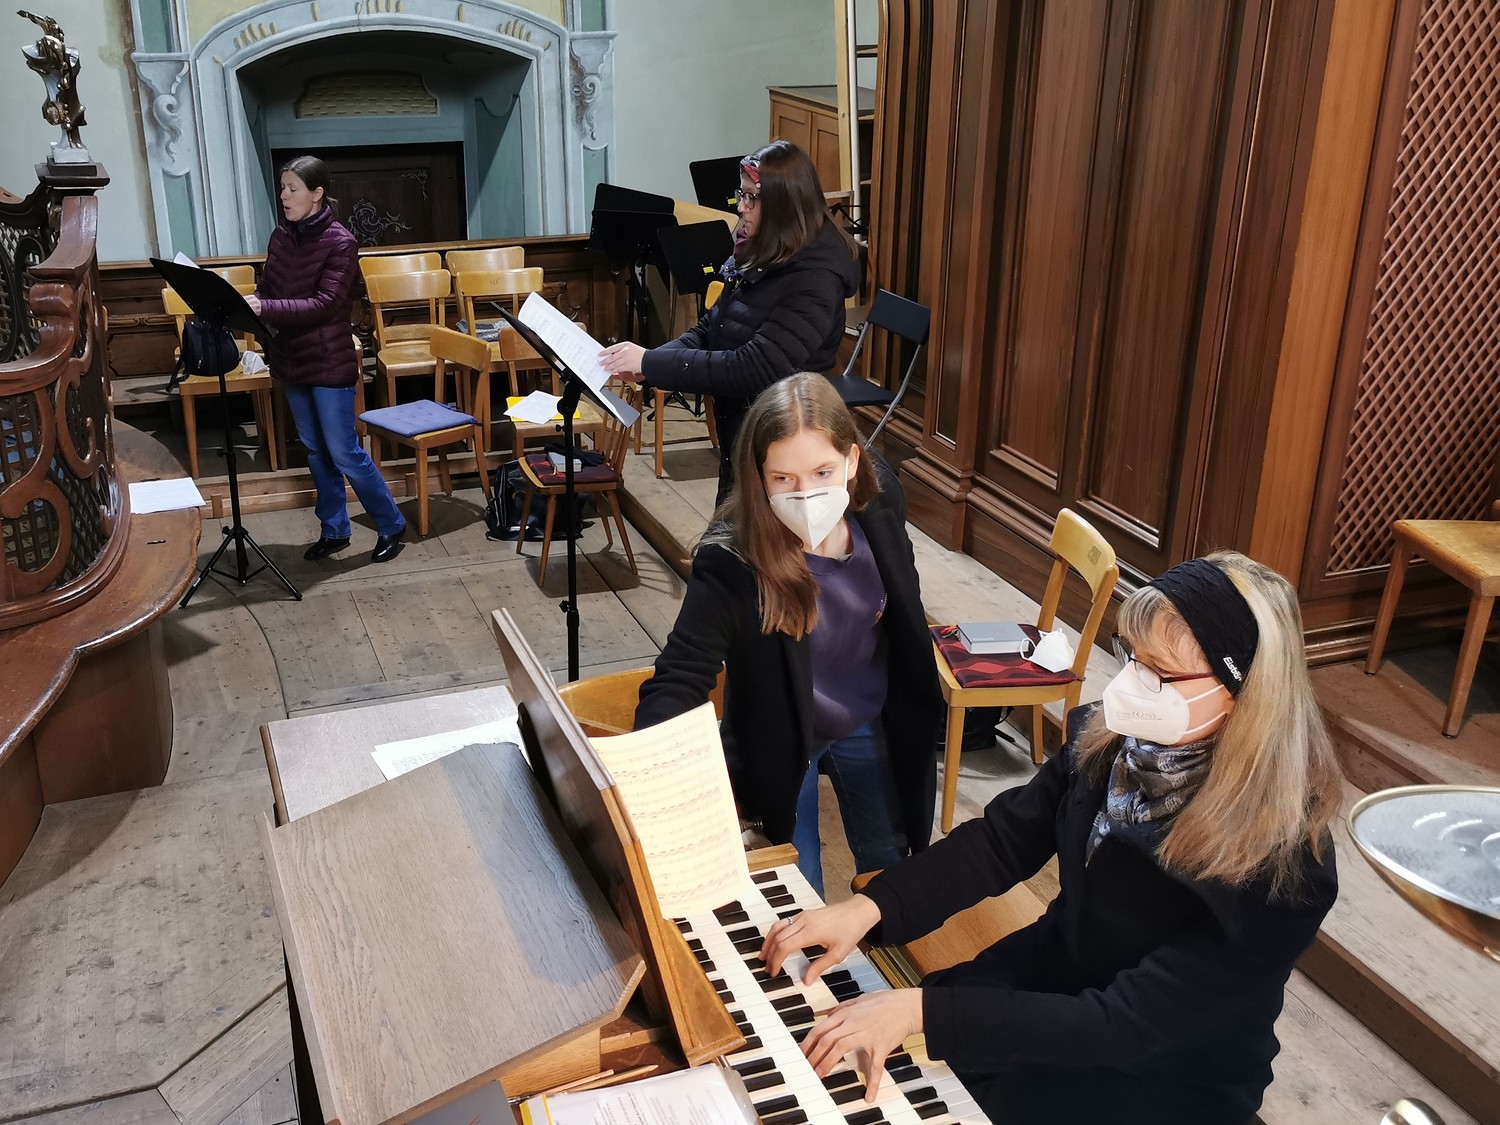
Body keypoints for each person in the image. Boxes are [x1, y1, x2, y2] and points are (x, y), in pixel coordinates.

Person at [761, 551, 1343, 1125]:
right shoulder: (1109, 741)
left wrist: (923, 1012)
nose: (1130, 685)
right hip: (1059, 974)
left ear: (1243, 693)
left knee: (914, 1054)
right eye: (1131, 657)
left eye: (1159, 673)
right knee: (855, 1047)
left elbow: (1129, 1024)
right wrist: (870, 908)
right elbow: (1003, 841)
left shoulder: (1285, 865)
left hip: (1163, 1068)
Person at [634, 373, 940, 897]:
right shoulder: (731, 558)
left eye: (823, 472)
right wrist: (650, 774)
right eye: (783, 478)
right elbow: (680, 677)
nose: (807, 494)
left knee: (889, 869)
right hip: (779, 739)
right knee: (796, 889)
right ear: (758, 477)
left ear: (852, 461)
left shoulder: (880, 506)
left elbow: (904, 618)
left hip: (868, 717)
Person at [598, 140, 861, 505]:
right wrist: (650, 364)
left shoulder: (816, 277)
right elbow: (711, 329)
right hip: (743, 434)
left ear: (782, 204)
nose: (741, 206)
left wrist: (650, 362)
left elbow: (753, 368)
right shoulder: (760, 249)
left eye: (752, 198)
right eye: (742, 194)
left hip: (785, 446)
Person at [246, 155, 407, 564]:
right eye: (282, 188)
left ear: (317, 194)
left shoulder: (341, 242)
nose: (284, 196)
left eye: (293, 189)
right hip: (291, 357)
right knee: (316, 451)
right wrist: (252, 301)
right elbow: (269, 288)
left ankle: (391, 524)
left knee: (343, 451)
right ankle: (334, 529)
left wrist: (267, 308)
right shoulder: (281, 236)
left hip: (328, 360)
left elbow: (326, 304)